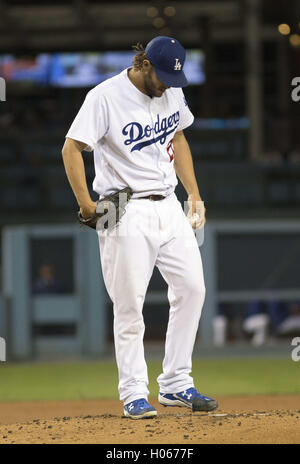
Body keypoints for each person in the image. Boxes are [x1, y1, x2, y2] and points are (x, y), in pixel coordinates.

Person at [62, 36, 217, 419]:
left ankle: (177, 384)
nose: (167, 84)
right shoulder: (105, 96)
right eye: (162, 75)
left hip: (167, 203)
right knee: (129, 305)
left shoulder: (171, 92)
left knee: (193, 288)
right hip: (122, 207)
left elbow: (177, 136)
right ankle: (134, 393)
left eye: (172, 77)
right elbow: (71, 148)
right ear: (144, 64)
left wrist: (193, 192)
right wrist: (86, 204)